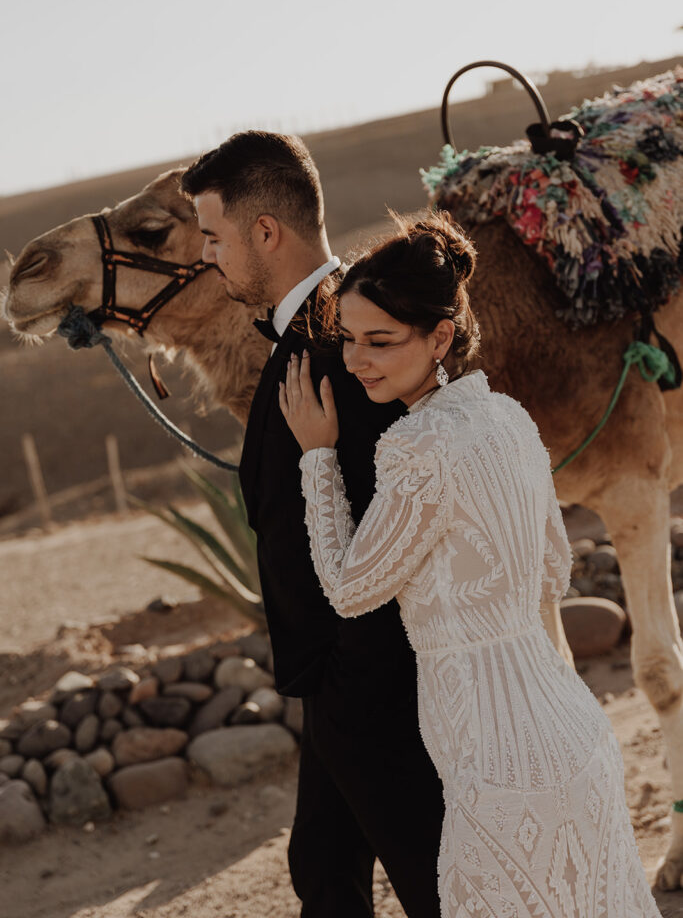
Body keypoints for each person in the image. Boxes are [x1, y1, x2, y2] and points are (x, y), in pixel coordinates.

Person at [280, 210, 662, 918]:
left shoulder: (415, 448)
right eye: (349, 340)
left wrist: (316, 457)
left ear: (440, 337)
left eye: (380, 341)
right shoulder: (511, 421)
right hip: (570, 729)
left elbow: (349, 588)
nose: (357, 360)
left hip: (496, 755)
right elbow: (553, 571)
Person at [180, 132, 445, 918]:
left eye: (213, 236)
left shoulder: (347, 345)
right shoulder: (313, 334)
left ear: (266, 233)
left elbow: (381, 506)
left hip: (364, 684)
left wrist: (350, 681)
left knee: (434, 883)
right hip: (331, 681)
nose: (206, 256)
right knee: (322, 872)